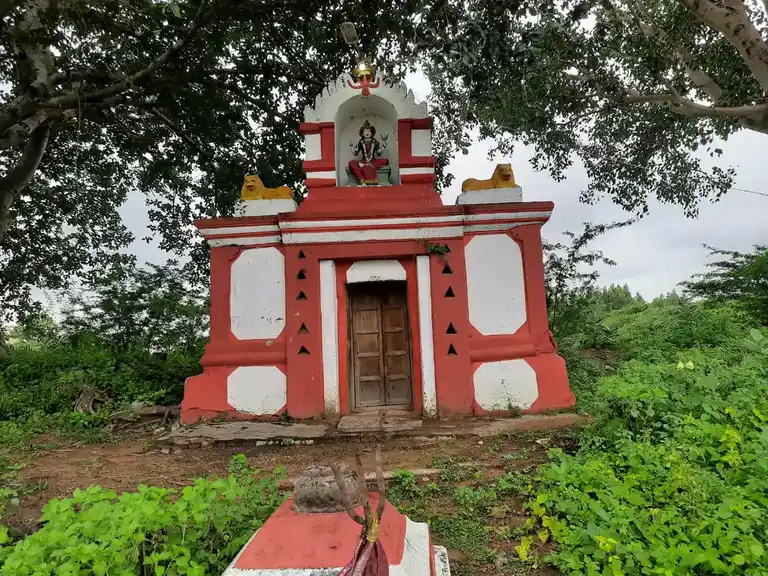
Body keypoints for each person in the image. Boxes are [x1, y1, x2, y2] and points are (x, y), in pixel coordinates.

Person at [349, 120, 388, 185]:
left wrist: (384, 146)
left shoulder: (374, 141)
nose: (367, 133)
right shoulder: (361, 142)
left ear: (372, 133)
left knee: (386, 161)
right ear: (362, 133)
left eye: (369, 131)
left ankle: (367, 165)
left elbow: (379, 153)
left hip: (372, 161)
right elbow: (355, 153)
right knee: (351, 163)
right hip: (363, 162)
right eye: (365, 131)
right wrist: (351, 146)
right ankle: (362, 181)